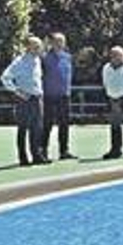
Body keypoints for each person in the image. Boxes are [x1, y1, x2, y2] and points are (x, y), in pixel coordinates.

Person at [0, 36, 48, 166]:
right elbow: (5, 77)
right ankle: (23, 158)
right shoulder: (19, 62)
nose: (39, 48)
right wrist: (17, 91)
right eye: (36, 46)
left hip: (37, 98)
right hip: (24, 99)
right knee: (23, 128)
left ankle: (36, 156)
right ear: (28, 47)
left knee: (36, 128)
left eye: (40, 46)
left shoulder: (37, 60)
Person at [41, 32, 75, 160]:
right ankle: (43, 151)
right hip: (48, 96)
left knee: (64, 124)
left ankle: (64, 151)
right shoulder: (44, 58)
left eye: (62, 41)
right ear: (52, 43)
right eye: (57, 41)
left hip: (64, 96)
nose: (59, 44)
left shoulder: (67, 57)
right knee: (47, 124)